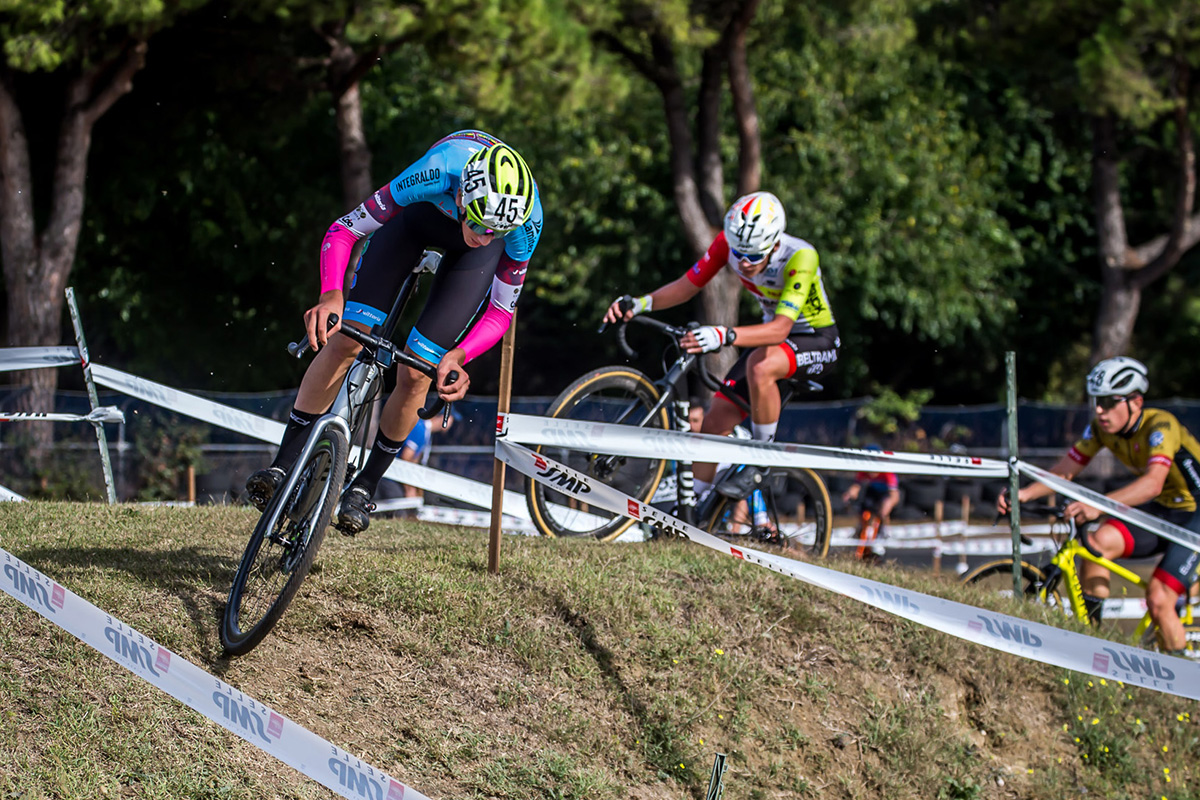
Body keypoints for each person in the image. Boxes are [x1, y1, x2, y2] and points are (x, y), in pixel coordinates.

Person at [246, 130, 541, 534]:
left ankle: (364, 487)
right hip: (416, 221)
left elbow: (500, 311)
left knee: (419, 371)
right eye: (479, 223)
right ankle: (282, 465)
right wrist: (331, 295)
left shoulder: (524, 223)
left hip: (469, 266)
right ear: (461, 196)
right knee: (348, 338)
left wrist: (460, 356)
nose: (484, 235)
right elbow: (345, 229)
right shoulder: (437, 171)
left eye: (496, 231)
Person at [602, 191, 840, 500]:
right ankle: (694, 505)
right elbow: (688, 285)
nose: (744, 263)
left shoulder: (800, 256)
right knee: (714, 421)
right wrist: (641, 303)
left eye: (754, 256)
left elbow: (780, 329)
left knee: (760, 366)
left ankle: (761, 462)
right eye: (739, 254)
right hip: (769, 341)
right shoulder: (728, 243)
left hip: (816, 339)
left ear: (774, 244)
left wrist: (723, 335)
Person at [998, 357, 1200, 654]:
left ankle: (1182, 679)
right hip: (1164, 511)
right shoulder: (1101, 429)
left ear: (1136, 402)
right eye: (1096, 402)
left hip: (1196, 516)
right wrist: (1024, 494)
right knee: (1095, 545)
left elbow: (1152, 483)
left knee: (1159, 599)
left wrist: (1098, 506)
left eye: (1108, 402)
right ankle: (1094, 645)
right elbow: (1065, 471)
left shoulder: (1160, 425)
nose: (1100, 410)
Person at [841, 445, 900, 560]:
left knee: (883, 511)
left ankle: (882, 534)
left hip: (886, 495)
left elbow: (894, 495)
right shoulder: (863, 471)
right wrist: (848, 495)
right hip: (872, 492)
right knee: (863, 512)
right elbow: (856, 487)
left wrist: (887, 507)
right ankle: (859, 534)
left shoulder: (887, 472)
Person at [399, 409, 458, 501]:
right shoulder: (420, 428)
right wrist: (409, 489)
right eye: (451, 419)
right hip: (393, 478)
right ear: (444, 417)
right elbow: (406, 458)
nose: (452, 424)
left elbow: (414, 459)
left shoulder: (425, 431)